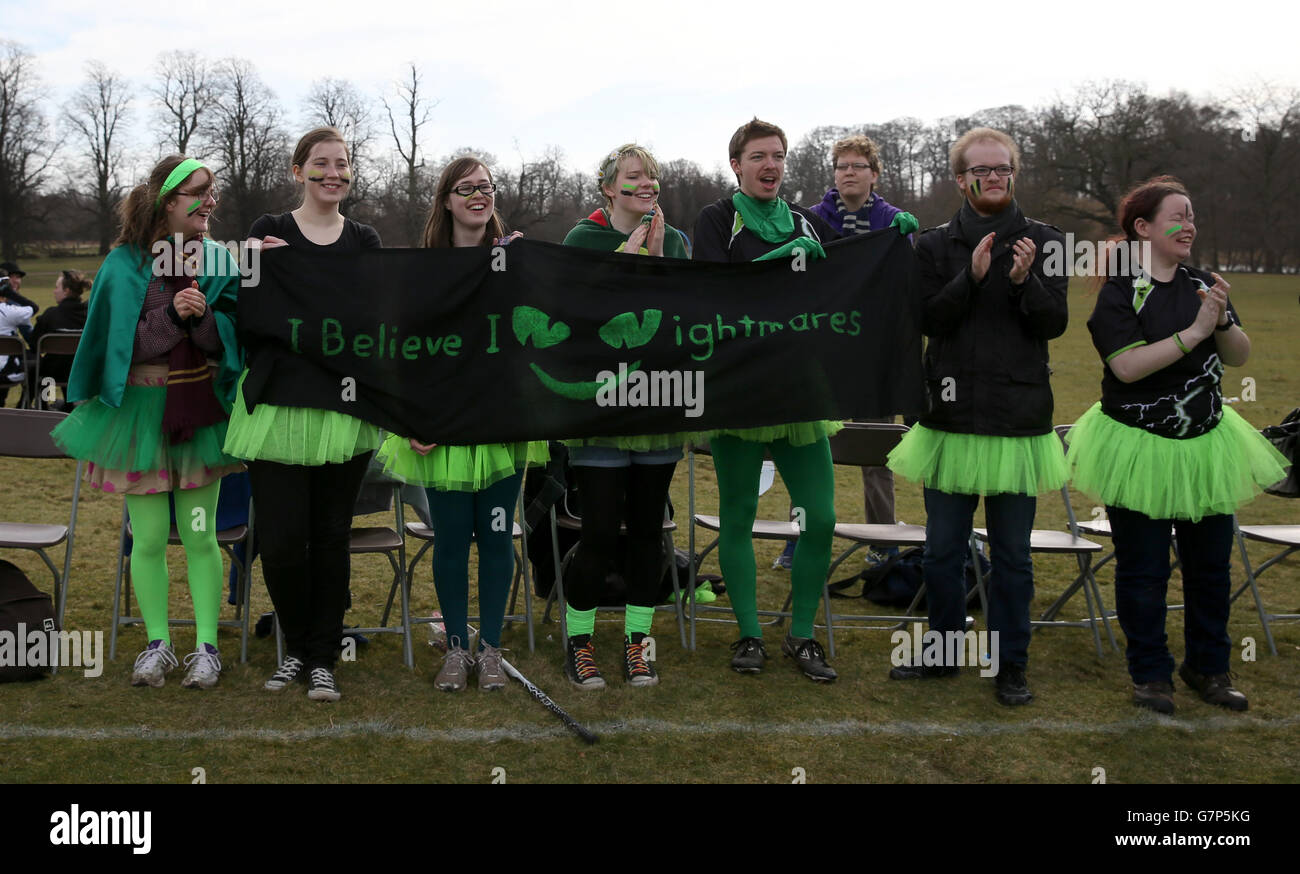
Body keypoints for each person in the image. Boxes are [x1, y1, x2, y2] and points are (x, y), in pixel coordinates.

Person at [1065, 176, 1287, 714]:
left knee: (1211, 566)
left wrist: (1222, 319)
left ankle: (1208, 668)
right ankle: (1151, 675)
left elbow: (1238, 357)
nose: (1188, 225)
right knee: (1144, 569)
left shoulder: (1201, 284)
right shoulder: (1119, 293)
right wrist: (1195, 331)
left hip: (1205, 443)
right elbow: (1127, 366)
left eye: (1192, 216)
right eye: (1177, 215)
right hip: (1137, 445)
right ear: (1142, 227)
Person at [886, 127, 1068, 705]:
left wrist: (1023, 282)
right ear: (960, 179)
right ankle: (944, 653)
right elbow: (928, 321)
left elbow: (1054, 323)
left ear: (1014, 174)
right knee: (942, 551)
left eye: (1002, 169)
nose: (993, 178)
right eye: (981, 171)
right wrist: (974, 278)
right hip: (951, 420)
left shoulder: (1046, 239)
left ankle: (1010, 663)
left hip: (1018, 422)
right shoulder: (933, 247)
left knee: (1013, 557)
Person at [51, 155, 241, 688]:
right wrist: (169, 315)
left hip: (198, 415)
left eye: (213, 194)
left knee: (203, 536)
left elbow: (228, 341)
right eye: (198, 193)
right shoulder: (123, 263)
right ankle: (157, 643)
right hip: (137, 416)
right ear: (166, 200)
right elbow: (118, 347)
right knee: (149, 537)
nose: (209, 203)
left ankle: (206, 647)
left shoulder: (222, 261)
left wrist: (202, 317)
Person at [375, 157, 546, 693]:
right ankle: (455, 648)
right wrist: (409, 416)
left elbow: (537, 331)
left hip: (499, 422)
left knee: (496, 539)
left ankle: (490, 649)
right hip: (442, 425)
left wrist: (520, 269)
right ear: (446, 200)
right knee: (451, 540)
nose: (479, 195)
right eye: (466, 188)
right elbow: (402, 349)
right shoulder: (424, 268)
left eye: (487, 187)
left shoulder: (512, 259)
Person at [225, 127, 382, 702]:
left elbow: (375, 318)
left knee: (330, 535)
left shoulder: (364, 238)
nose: (334, 173)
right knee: (285, 541)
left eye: (342, 163)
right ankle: (295, 646)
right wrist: (246, 265)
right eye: (321, 163)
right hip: (277, 405)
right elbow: (245, 310)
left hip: (342, 407)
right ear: (298, 171)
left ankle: (322, 658)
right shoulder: (268, 232)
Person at [691, 118, 841, 682]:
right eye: (758, 156)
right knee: (739, 517)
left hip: (800, 391)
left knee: (820, 519)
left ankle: (802, 636)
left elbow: (833, 292)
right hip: (740, 390)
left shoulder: (806, 221)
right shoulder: (715, 219)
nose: (770, 165)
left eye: (778, 155)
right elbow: (709, 296)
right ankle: (749, 634)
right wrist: (773, 263)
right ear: (736, 164)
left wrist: (893, 239)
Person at [557, 144, 692, 690]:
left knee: (645, 533)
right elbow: (574, 317)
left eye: (652, 177)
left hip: (656, 403)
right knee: (597, 535)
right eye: (632, 177)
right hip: (598, 409)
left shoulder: (676, 239)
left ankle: (639, 644)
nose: (645, 184)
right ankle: (580, 641)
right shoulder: (582, 239)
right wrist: (625, 265)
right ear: (610, 188)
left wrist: (658, 266)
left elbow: (687, 318)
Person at [769, 135, 917, 570]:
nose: (848, 172)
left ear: (875, 173)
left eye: (857, 165)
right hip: (820, 354)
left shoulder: (895, 224)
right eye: (841, 165)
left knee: (877, 451)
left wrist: (906, 246)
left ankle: (883, 546)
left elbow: (906, 292)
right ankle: (800, 538)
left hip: (873, 356)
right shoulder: (810, 220)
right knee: (808, 452)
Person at [26, 269, 91, 404]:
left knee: (38, 371)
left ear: (66, 291)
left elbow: (33, 344)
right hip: (82, 372)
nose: (54, 291)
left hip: (52, 372)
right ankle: (68, 407)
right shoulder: (90, 315)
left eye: (57, 287)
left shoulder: (51, 315)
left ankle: (42, 405)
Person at [0, 261, 37, 406]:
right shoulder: (16, 309)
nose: (15, 281)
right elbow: (31, 338)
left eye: (18, 277)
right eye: (11, 277)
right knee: (37, 365)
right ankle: (27, 405)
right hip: (8, 365)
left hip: (7, 357)